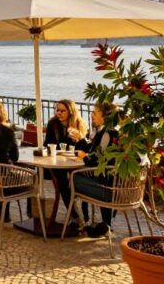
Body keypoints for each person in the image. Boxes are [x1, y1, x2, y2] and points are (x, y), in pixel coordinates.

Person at [74, 102, 121, 238]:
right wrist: (82, 140)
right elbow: (95, 151)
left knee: (72, 177)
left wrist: (84, 157)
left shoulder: (108, 133)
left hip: (107, 190)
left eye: (95, 113)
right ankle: (105, 224)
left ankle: (80, 221)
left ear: (105, 116)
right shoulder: (117, 132)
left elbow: (96, 159)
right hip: (122, 190)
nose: (92, 115)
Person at [44, 99, 90, 225]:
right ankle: (74, 214)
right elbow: (47, 145)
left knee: (82, 180)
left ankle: (85, 216)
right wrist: (67, 139)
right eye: (57, 110)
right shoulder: (53, 124)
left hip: (76, 162)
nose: (59, 113)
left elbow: (87, 149)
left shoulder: (79, 124)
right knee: (62, 181)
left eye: (63, 110)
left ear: (71, 112)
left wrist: (80, 138)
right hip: (57, 163)